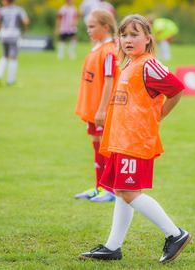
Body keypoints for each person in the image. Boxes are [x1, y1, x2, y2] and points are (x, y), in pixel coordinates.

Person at [78, 14, 191, 264]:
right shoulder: (129, 63)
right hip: (121, 139)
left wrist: (158, 115)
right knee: (121, 191)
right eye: (124, 34)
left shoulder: (149, 64)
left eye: (134, 34)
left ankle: (175, 234)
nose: (128, 39)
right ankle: (112, 247)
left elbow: (176, 88)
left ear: (148, 38)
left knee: (129, 191)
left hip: (136, 140)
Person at [74, 9, 119, 202]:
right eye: (87, 27)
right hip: (91, 108)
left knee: (105, 148)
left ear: (105, 27)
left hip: (101, 109)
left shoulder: (109, 51)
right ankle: (99, 186)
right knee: (96, 146)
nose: (88, 30)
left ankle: (110, 190)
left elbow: (109, 81)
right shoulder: (97, 47)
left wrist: (102, 109)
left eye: (92, 27)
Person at [0, 0, 29, 86]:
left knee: (5, 55)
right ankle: (10, 80)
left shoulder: (2, 10)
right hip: (14, 34)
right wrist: (24, 32)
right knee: (13, 57)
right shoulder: (19, 10)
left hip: (3, 34)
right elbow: (26, 21)